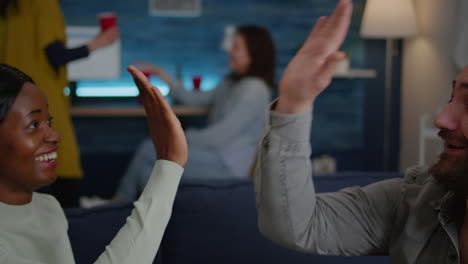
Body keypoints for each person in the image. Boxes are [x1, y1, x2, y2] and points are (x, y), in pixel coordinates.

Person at [254, 0, 468, 262]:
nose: (442, 119)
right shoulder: (417, 200)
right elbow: (298, 226)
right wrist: (293, 104)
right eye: (451, 98)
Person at [0, 63, 187, 263]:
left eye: (50, 121)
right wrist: (169, 165)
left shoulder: (48, 209)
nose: (54, 135)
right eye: (33, 124)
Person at [115, 25, 276, 201]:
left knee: (149, 149)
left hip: (228, 164)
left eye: (236, 47)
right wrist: (162, 75)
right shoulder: (230, 82)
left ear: (254, 54)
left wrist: (177, 137)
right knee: (147, 173)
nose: (230, 51)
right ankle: (132, 214)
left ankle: (116, 203)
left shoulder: (255, 90)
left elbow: (219, 137)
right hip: (213, 154)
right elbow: (193, 98)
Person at [0, 0, 119, 207]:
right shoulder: (42, 4)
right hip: (39, 98)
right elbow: (56, 55)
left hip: (8, 104)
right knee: (63, 172)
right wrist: (99, 42)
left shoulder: (9, 8)